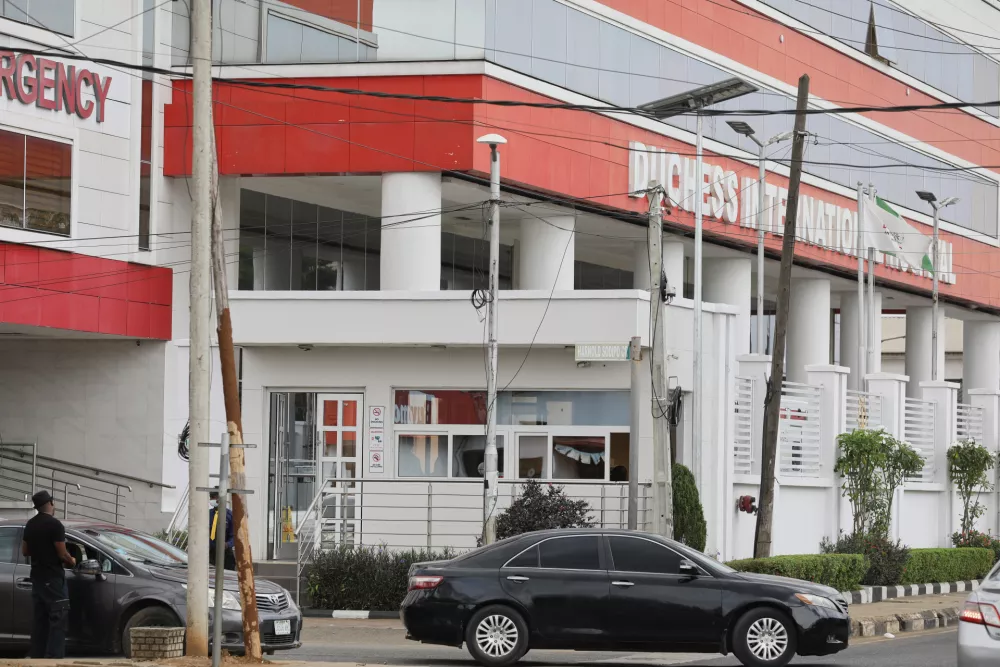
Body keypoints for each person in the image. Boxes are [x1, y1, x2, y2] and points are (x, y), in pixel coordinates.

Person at [21, 490, 75, 659]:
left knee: (40, 620)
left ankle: (37, 657)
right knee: (58, 618)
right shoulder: (55, 525)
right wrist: (72, 560)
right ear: (51, 503)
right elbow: (62, 554)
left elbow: (25, 551)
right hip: (53, 577)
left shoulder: (30, 524)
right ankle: (53, 658)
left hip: (37, 576)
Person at [209, 491, 236, 571]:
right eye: (211, 498)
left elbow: (235, 536)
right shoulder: (208, 514)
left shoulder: (229, 515)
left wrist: (227, 544)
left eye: (214, 498)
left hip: (226, 554)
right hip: (210, 553)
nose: (212, 500)